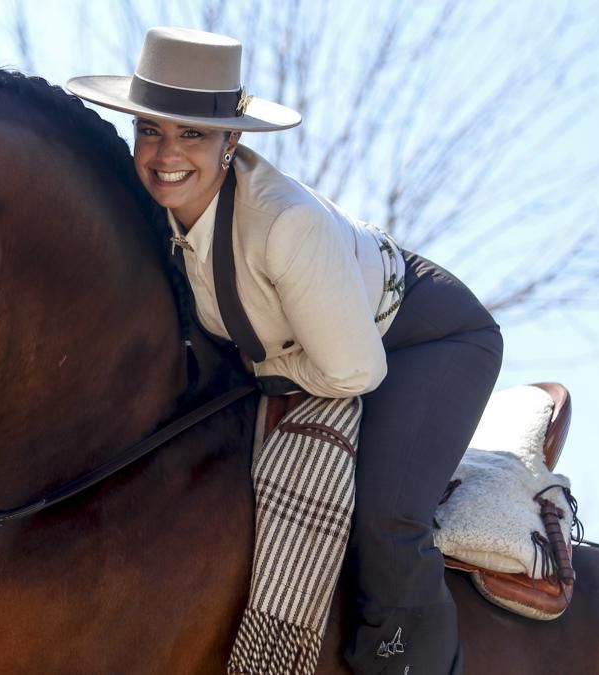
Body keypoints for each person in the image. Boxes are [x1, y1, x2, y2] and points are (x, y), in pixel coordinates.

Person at [68, 27, 502, 675]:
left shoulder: (283, 223)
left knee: (386, 517)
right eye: (151, 131)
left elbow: (355, 369)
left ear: (231, 140)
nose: (166, 154)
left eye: (193, 134)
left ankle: (412, 662)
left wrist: (265, 372)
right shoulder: (156, 205)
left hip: (422, 340)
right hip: (318, 347)